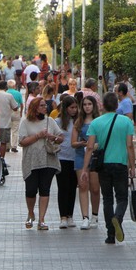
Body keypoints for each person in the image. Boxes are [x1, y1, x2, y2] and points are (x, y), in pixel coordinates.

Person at [81, 93, 136, 244]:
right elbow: (129, 145)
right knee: (122, 198)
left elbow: (90, 147)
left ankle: (110, 235)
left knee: (107, 199)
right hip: (120, 164)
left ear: (103, 106)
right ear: (117, 105)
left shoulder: (96, 123)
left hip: (103, 165)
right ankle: (117, 218)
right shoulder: (126, 122)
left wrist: (85, 169)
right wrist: (132, 165)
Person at [19, 97, 63, 230]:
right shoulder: (26, 122)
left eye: (45, 105)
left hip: (48, 159)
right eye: (42, 106)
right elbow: (22, 142)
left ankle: (42, 220)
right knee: (31, 190)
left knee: (45, 189)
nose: (45, 108)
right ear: (34, 108)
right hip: (31, 160)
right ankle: (31, 213)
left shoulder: (50, 121)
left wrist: (53, 137)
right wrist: (38, 136)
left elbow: (60, 138)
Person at [72, 96, 101, 230]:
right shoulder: (79, 122)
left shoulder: (99, 121)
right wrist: (82, 143)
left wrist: (95, 145)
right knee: (83, 185)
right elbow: (73, 143)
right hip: (81, 155)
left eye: (89, 104)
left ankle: (95, 215)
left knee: (95, 188)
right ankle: (85, 217)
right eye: (84, 104)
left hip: (95, 157)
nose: (87, 107)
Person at [55, 96, 79, 229]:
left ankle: (70, 215)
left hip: (76, 158)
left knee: (72, 188)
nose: (74, 110)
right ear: (65, 108)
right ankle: (63, 216)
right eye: (71, 107)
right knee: (63, 187)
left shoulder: (78, 122)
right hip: (62, 157)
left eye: (76, 107)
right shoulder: (57, 121)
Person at [0, 80, 19, 159]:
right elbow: (15, 107)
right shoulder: (9, 96)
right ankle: (1, 160)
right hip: (5, 123)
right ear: (6, 87)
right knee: (3, 143)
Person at [7, 79, 23, 153]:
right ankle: (14, 146)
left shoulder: (6, 93)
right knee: (15, 130)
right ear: (14, 86)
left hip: (8, 112)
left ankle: (7, 146)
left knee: (7, 129)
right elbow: (22, 104)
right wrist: (21, 113)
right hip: (16, 111)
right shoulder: (18, 93)